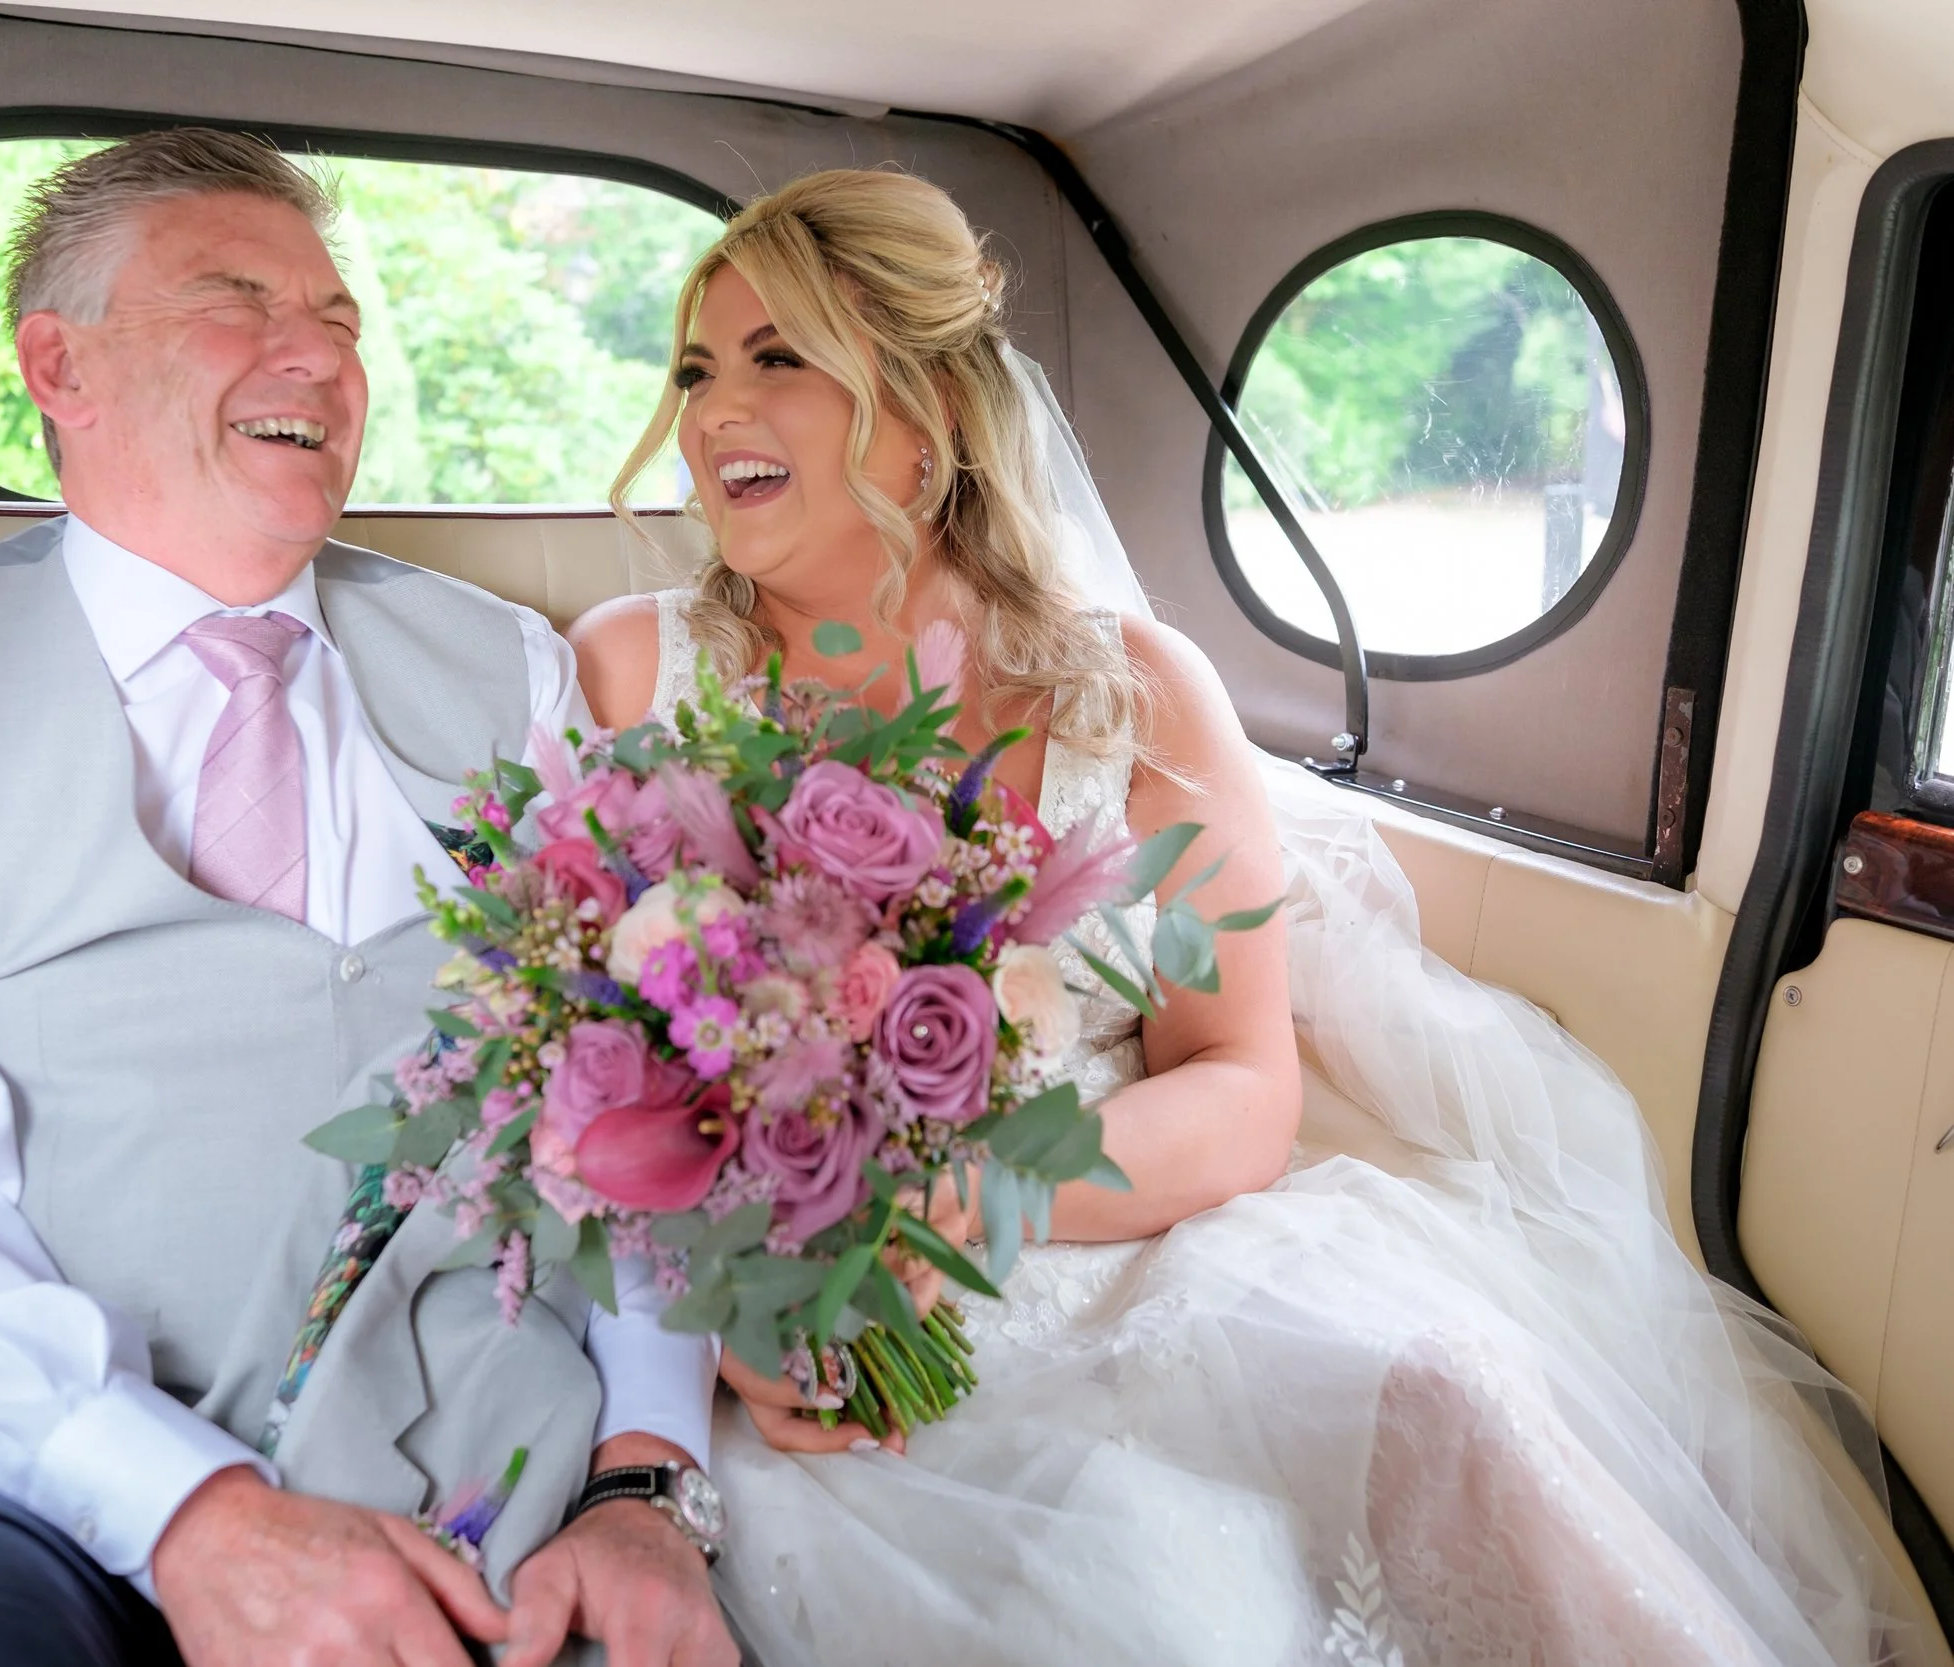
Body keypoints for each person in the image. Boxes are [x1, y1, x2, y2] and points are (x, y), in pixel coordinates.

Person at [570, 168, 1930, 1666]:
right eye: (696, 368)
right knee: (1163, 1603)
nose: (711, 414)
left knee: (1449, 1387)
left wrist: (975, 1186)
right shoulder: (635, 679)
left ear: (929, 409)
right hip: (814, 1306)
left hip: (1129, 1238)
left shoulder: (1131, 694)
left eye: (780, 360)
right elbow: (593, 1091)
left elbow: (1239, 1081)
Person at [0, 129, 738, 1667]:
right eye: (236, 299)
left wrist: (647, 1472)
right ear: (60, 363)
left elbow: (640, 1105)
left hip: (508, 1459)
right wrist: (190, 1513)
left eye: (344, 322)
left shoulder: (513, 673)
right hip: (31, 1476)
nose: (318, 354)